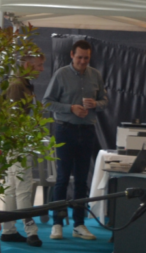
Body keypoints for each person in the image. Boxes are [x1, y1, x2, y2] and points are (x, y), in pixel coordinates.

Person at [43, 40, 107, 241]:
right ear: (72, 55)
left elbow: (105, 101)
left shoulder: (95, 75)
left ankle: (79, 224)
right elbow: (47, 102)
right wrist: (70, 108)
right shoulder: (61, 74)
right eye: (79, 57)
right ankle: (57, 223)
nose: (82, 61)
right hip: (65, 130)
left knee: (81, 179)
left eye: (86, 58)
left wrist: (96, 104)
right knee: (62, 178)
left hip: (87, 131)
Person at [1, 53, 46, 247]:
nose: (42, 69)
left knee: (12, 187)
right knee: (23, 186)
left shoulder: (22, 84)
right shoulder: (18, 85)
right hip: (18, 141)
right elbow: (13, 117)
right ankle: (31, 232)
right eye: (39, 65)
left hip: (17, 141)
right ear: (27, 64)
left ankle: (8, 229)